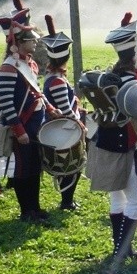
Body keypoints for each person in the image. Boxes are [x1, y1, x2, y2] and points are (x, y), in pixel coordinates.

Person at [84, 12, 137, 260]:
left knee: (118, 200)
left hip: (106, 145)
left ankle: (119, 248)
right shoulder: (133, 84)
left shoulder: (111, 79)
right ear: (135, 56)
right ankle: (123, 249)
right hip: (127, 148)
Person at [0, 0, 60, 222]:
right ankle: (26, 211)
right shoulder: (8, 68)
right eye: (31, 39)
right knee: (23, 169)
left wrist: (50, 109)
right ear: (18, 43)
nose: (35, 42)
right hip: (22, 126)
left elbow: (36, 92)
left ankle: (35, 207)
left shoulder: (29, 64)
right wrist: (18, 130)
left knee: (35, 167)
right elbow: (7, 103)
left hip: (36, 123)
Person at [40, 14, 83, 211]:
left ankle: (67, 201)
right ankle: (66, 202)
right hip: (64, 126)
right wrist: (80, 123)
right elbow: (65, 109)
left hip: (61, 126)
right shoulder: (56, 80)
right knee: (71, 166)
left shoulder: (53, 76)